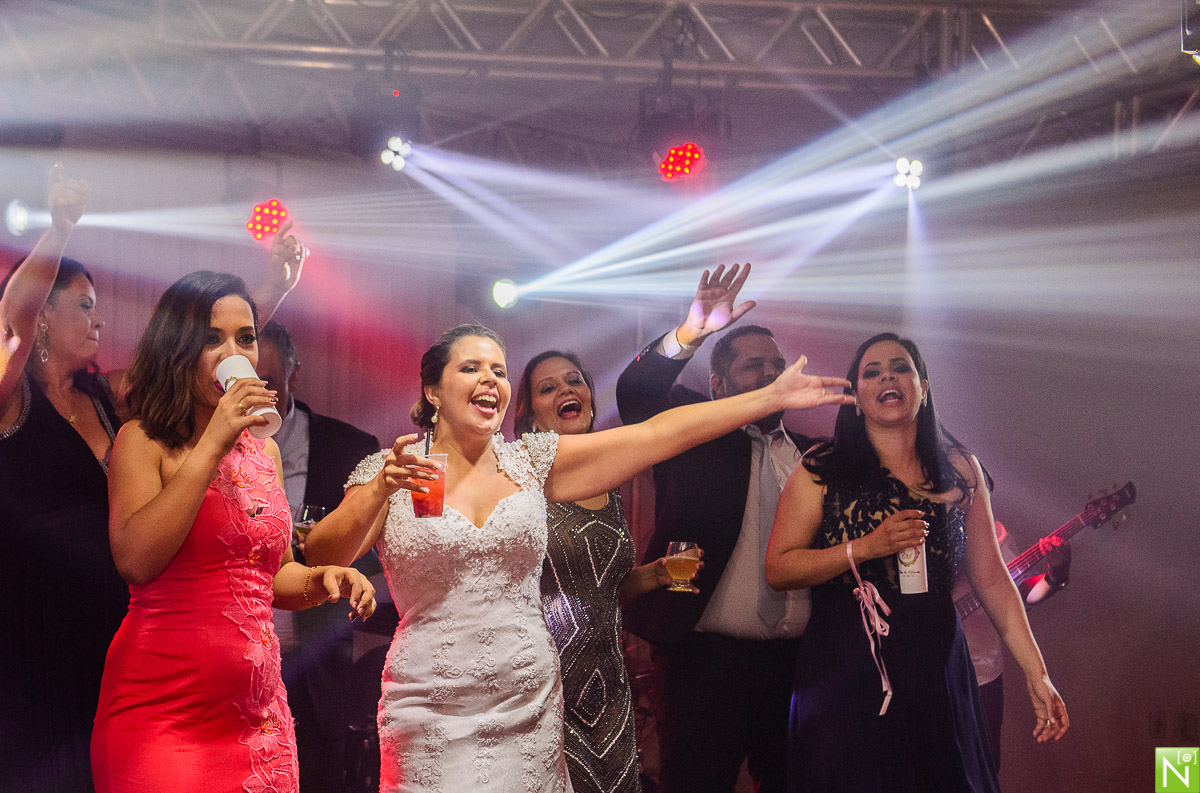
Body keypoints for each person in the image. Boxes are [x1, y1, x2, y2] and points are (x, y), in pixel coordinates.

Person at [303, 322, 852, 793]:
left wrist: (769, 398)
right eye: (471, 368)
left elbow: (657, 434)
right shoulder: (390, 468)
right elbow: (320, 559)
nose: (489, 379)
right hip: (429, 704)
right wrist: (378, 490)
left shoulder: (532, 463)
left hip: (528, 703)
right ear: (432, 390)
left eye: (497, 369)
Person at [0, 169, 307, 793]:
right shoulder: (12, 401)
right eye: (83, 305)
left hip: (112, 623)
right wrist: (58, 231)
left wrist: (270, 292)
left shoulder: (111, 395)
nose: (100, 320)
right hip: (33, 628)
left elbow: (193, 356)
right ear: (45, 321)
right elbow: (13, 320)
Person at [90, 271, 377, 793]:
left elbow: (267, 578)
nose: (232, 351)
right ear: (175, 348)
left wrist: (323, 579)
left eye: (244, 337)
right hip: (163, 715)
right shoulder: (142, 440)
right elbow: (135, 558)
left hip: (258, 719)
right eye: (210, 338)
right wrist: (214, 442)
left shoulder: (263, 452)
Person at [764, 332, 1069, 793]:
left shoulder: (961, 470)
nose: (887, 376)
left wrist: (1037, 672)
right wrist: (864, 548)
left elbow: (993, 580)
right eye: (872, 371)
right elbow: (779, 568)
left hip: (935, 663)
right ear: (857, 397)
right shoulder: (822, 467)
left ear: (923, 388)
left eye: (901, 367)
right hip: (846, 664)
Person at [615, 263, 808, 793]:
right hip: (705, 664)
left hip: (795, 666)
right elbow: (636, 394)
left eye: (777, 364)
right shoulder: (695, 434)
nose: (770, 374)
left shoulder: (813, 456)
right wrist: (691, 332)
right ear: (720, 384)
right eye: (753, 367)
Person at [514, 350, 701, 793]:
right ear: (532, 419)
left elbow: (599, 594)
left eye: (574, 380)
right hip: (542, 682)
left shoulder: (610, 485)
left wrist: (655, 574)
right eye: (548, 387)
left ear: (591, 402)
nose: (565, 390)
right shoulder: (521, 479)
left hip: (607, 684)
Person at [257, 318, 387, 793]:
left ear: (294, 374)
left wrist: (327, 554)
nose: (257, 393)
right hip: (231, 676)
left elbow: (372, 560)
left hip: (316, 679)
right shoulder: (210, 447)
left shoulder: (350, 449)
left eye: (268, 381)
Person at [958, 522, 1071, 769]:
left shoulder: (996, 533)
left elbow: (1021, 594)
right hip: (921, 671)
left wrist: (1056, 576)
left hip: (982, 677)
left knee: (982, 767)